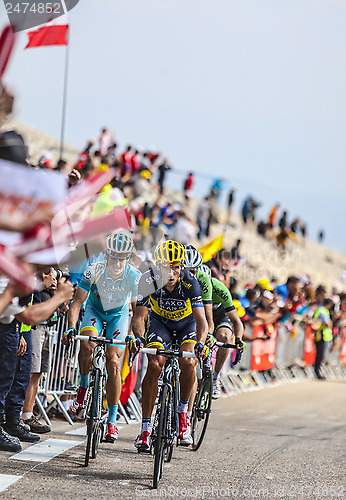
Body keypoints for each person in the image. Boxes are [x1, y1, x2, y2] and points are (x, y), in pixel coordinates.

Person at [62, 232, 141, 443]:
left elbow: (139, 312)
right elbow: (77, 304)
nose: (117, 262)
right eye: (113, 257)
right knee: (87, 343)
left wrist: (134, 335)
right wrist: (71, 328)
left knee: (113, 361)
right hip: (94, 312)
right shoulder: (93, 270)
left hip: (119, 316)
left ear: (128, 258)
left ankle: (112, 419)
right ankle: (84, 385)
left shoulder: (134, 276)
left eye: (121, 258)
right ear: (106, 256)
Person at [131, 240, 208, 450]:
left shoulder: (191, 282)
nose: (171, 273)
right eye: (166, 266)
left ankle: (183, 412)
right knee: (155, 365)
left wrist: (201, 343)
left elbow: (202, 322)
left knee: (188, 359)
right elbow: (139, 318)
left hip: (187, 326)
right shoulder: (148, 280)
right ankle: (145, 429)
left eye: (175, 266)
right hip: (160, 324)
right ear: (158, 266)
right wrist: (138, 337)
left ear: (182, 266)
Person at [0, 278, 74, 452]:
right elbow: (29, 316)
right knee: (4, 379)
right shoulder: (8, 281)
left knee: (9, 377)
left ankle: (10, 423)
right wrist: (58, 297)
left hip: (11, 324)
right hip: (7, 327)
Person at [21, 269, 60, 434]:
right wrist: (42, 285)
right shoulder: (33, 265)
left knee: (38, 371)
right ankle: (18, 417)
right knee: (30, 371)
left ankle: (27, 415)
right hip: (32, 323)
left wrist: (53, 286)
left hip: (46, 323)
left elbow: (56, 275)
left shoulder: (49, 267)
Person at [199, 264, 245, 399]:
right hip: (200, 320)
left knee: (224, 338)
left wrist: (238, 340)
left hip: (219, 318)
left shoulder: (220, 289)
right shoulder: (191, 288)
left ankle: (215, 377)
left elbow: (237, 322)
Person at [312, 298, 334, 379]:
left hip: (323, 335)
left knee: (320, 354)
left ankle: (318, 370)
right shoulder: (322, 310)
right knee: (319, 354)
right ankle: (317, 371)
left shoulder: (322, 310)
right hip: (320, 335)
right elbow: (328, 324)